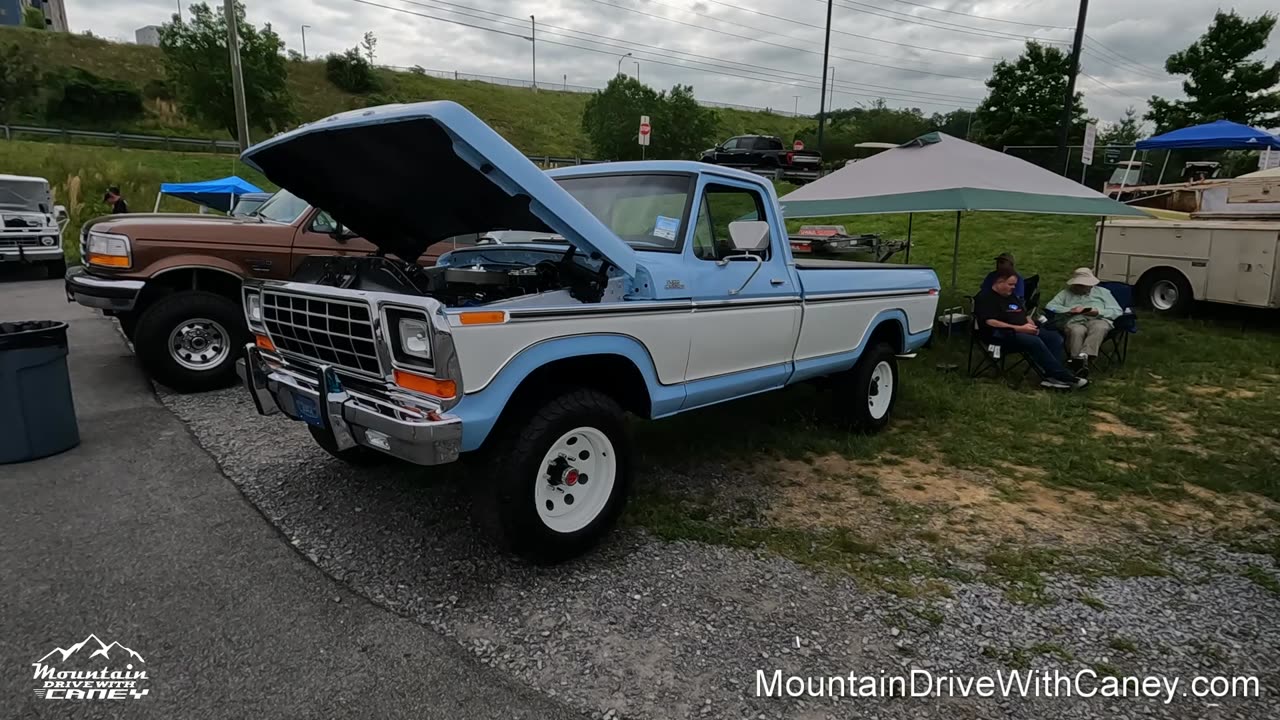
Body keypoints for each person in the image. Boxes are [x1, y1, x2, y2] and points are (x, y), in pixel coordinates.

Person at [975, 269, 1087, 390]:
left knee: (1054, 338)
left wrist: (1028, 319)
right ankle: (1063, 375)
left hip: (1023, 329)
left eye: (1014, 284)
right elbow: (990, 321)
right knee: (1033, 341)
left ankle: (1051, 376)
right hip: (1000, 335)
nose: (1013, 287)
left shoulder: (1010, 295)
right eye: (1010, 284)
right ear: (999, 282)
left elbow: (1021, 312)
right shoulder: (985, 297)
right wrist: (1020, 328)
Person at [1046, 267, 1123, 377]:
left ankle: (1084, 358)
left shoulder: (1103, 293)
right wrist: (1069, 310)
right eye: (1079, 285)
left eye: (1084, 285)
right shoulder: (1066, 293)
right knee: (1077, 331)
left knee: (1099, 327)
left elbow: (1117, 311)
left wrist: (1097, 311)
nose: (1081, 287)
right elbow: (1050, 307)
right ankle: (1078, 363)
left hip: (1098, 319)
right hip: (1075, 321)